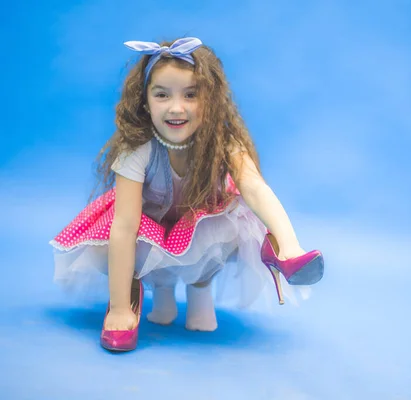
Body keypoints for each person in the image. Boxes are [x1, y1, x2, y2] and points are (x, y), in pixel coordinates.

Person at [49, 37, 324, 352]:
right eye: (162, 94)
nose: (176, 107)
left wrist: (289, 245)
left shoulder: (222, 143)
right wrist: (120, 307)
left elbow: (255, 188)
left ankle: (200, 291)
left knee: (224, 229)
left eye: (191, 95)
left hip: (197, 226)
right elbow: (125, 225)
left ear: (210, 100)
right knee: (120, 242)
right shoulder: (137, 150)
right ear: (144, 101)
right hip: (147, 226)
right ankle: (144, 298)